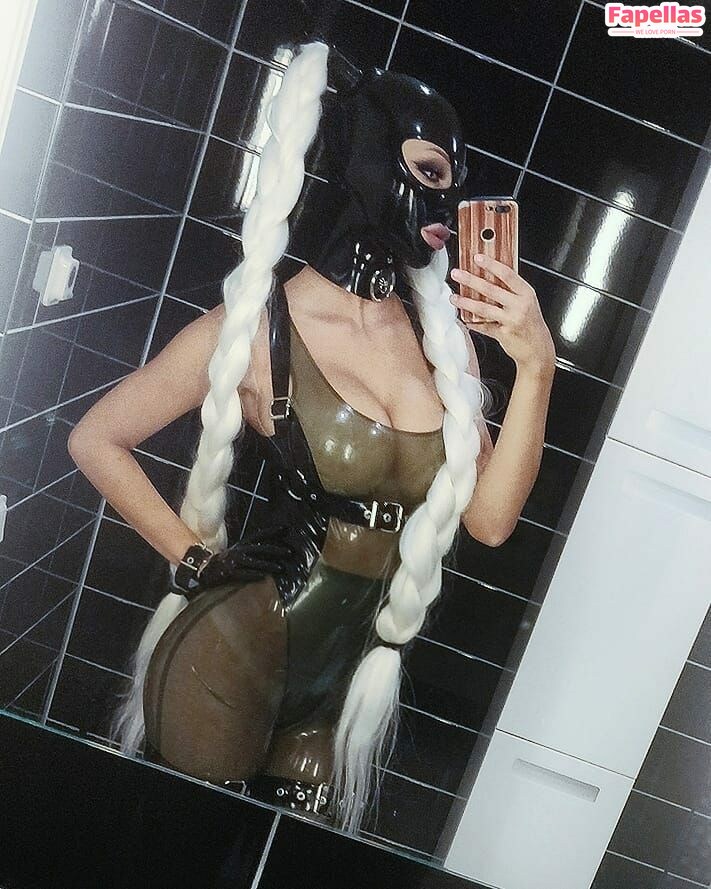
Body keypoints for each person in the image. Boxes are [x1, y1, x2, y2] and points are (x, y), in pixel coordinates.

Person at [67, 40, 556, 833]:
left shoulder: (444, 346)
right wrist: (194, 560)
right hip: (230, 650)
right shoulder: (257, 328)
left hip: (331, 691)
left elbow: (490, 519)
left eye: (455, 185)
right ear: (365, 162)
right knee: (175, 848)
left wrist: (536, 365)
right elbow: (96, 439)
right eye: (430, 173)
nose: (444, 205)